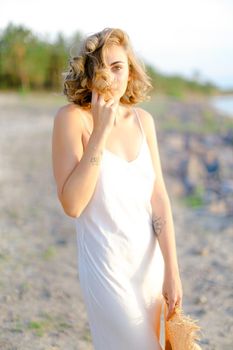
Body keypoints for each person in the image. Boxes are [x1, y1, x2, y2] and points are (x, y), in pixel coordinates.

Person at [52, 27, 183, 350]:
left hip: (148, 266)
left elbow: (159, 199)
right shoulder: (72, 119)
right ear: (89, 73)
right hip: (106, 267)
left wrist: (172, 271)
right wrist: (100, 131)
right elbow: (72, 205)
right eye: (102, 67)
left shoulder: (143, 121)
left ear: (130, 70)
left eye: (118, 66)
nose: (110, 76)